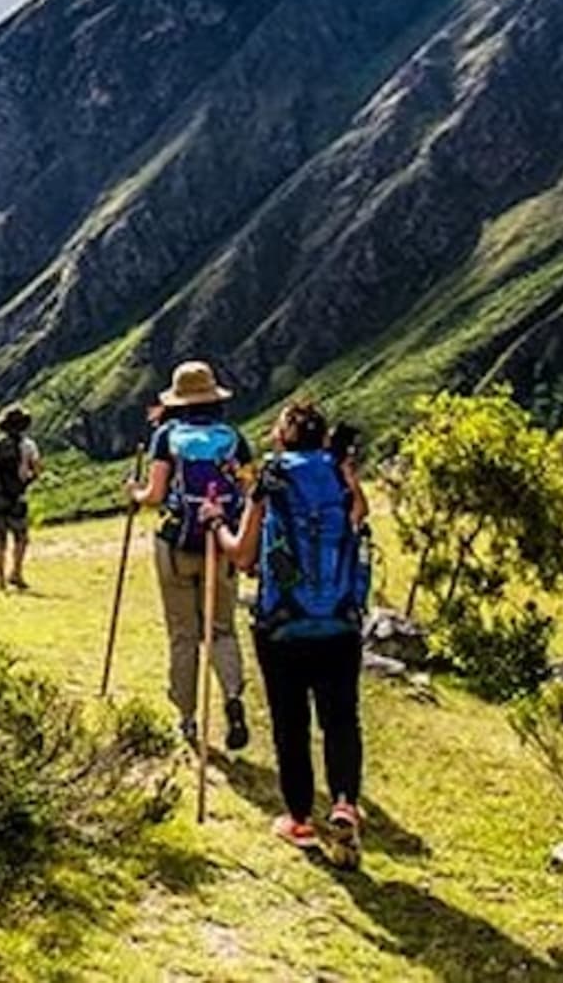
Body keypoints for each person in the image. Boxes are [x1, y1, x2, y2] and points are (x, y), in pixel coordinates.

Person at [209, 401, 371, 865]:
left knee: (291, 723)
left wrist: (218, 525)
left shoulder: (272, 480)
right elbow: (360, 517)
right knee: (342, 718)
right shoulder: (339, 477)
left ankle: (299, 818)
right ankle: (344, 803)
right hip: (340, 620)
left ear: (282, 438)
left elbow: (242, 555)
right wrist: (344, 468)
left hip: (282, 625)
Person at [129, 361, 251, 751]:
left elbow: (155, 495)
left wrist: (133, 492)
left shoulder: (167, 437)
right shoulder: (234, 438)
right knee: (222, 629)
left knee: (183, 635)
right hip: (222, 542)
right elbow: (249, 492)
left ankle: (187, 719)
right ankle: (233, 696)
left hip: (176, 544)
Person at [0, 406, 41, 590]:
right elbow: (36, 469)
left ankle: (0, 578)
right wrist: (25, 481)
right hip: (17, 498)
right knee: (21, 538)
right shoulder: (29, 446)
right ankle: (16, 573)